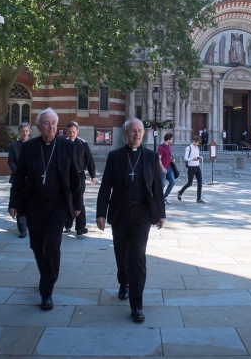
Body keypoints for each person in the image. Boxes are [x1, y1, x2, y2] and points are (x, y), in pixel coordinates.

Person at [9, 108, 81, 311]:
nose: (52, 127)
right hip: (34, 204)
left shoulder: (67, 146)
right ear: (39, 126)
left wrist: (76, 205)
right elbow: (19, 177)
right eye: (47, 123)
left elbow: (75, 179)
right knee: (36, 245)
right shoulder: (30, 147)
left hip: (58, 205)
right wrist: (13, 202)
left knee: (52, 244)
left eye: (55, 123)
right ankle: (46, 275)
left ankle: (46, 291)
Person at [96, 118, 165, 323]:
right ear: (126, 133)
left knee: (137, 257)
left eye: (140, 131)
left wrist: (160, 213)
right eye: (133, 131)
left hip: (142, 213)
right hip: (120, 212)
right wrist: (101, 212)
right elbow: (105, 186)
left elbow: (157, 189)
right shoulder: (115, 156)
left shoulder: (151, 157)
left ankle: (137, 305)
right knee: (121, 254)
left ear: (143, 133)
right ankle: (123, 282)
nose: (137, 134)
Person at [64, 121, 97, 236]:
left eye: (74, 132)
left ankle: (80, 226)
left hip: (79, 175)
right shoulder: (63, 144)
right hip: (67, 176)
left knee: (79, 200)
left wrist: (92, 175)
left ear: (77, 131)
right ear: (67, 132)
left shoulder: (83, 144)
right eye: (69, 132)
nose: (72, 134)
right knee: (67, 199)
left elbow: (89, 160)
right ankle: (67, 225)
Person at [7, 122, 31, 238]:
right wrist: (18, 172)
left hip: (31, 179)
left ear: (29, 132)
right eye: (22, 131)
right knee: (19, 203)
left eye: (26, 131)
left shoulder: (34, 145)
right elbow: (10, 161)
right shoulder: (13, 146)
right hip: (18, 179)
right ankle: (22, 229)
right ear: (19, 132)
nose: (24, 133)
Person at [178, 135, 205, 203]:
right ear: (192, 141)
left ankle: (199, 198)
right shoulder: (189, 148)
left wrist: (197, 159)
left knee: (200, 182)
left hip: (197, 166)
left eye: (198, 142)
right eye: (195, 142)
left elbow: (197, 156)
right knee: (190, 183)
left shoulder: (198, 148)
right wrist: (192, 159)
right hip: (191, 167)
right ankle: (180, 192)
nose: (196, 143)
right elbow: (185, 158)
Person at [158, 133, 176, 204]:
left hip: (170, 168)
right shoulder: (161, 147)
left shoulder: (169, 146)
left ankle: (165, 196)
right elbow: (159, 159)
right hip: (163, 168)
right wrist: (162, 168)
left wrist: (172, 159)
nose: (172, 140)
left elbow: (169, 156)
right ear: (168, 139)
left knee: (172, 182)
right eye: (171, 139)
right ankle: (160, 198)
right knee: (162, 184)